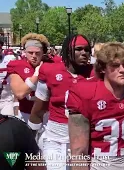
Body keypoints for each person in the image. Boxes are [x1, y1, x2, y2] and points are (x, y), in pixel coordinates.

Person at [66, 43, 124, 170]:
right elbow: (79, 153)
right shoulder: (86, 94)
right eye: (115, 65)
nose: (122, 69)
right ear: (103, 68)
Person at [28, 34, 93, 170]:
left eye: (87, 50)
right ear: (68, 51)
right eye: (79, 49)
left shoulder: (95, 73)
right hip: (56, 138)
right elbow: (39, 109)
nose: (84, 53)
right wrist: (29, 139)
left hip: (86, 139)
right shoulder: (50, 70)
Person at [7, 33, 49, 122]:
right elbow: (20, 93)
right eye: (30, 52)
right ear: (25, 52)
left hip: (47, 116)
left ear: (43, 52)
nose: (34, 56)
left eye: (37, 53)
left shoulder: (52, 64)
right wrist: (37, 74)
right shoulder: (17, 65)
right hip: (26, 114)